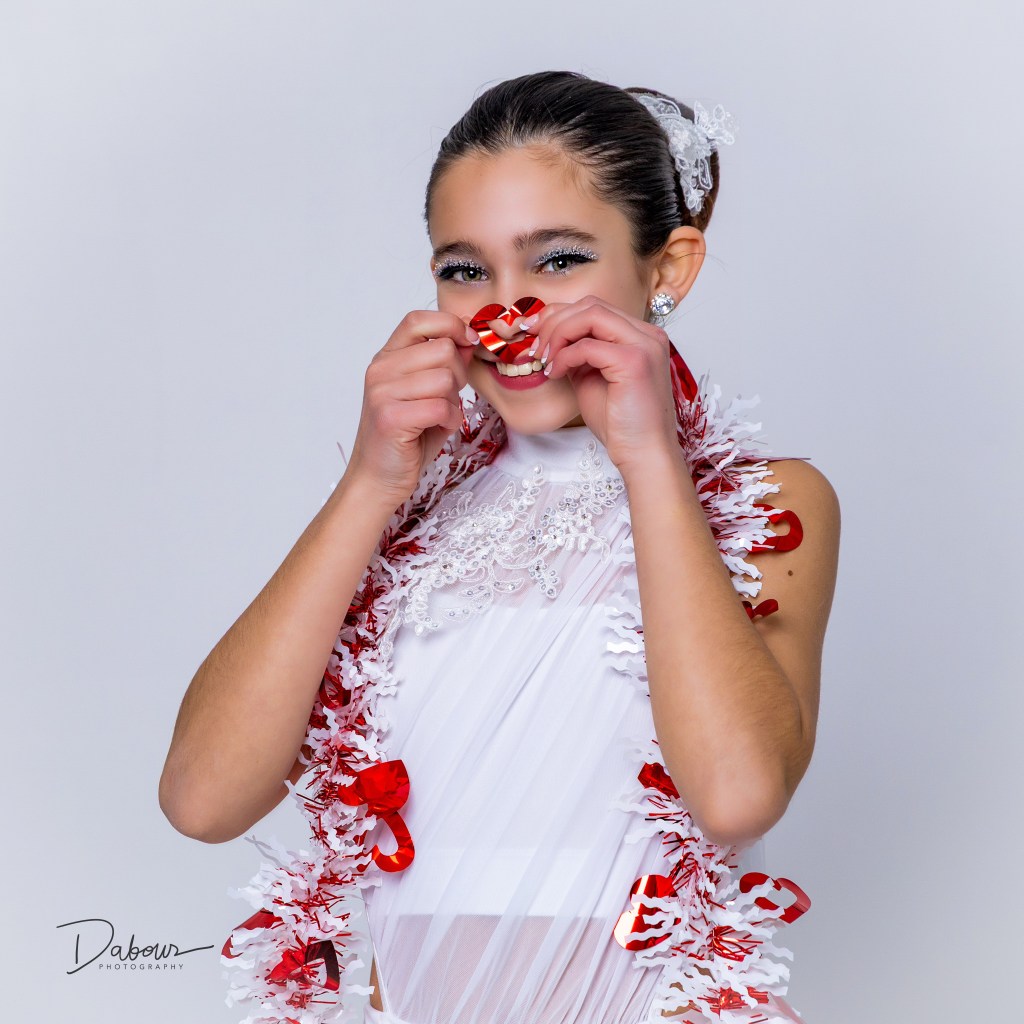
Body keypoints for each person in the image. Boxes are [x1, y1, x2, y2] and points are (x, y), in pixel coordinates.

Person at [159, 70, 840, 1024]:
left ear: (669, 268)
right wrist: (369, 485)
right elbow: (202, 800)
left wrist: (647, 458)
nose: (505, 311)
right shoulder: (405, 512)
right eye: (466, 269)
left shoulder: (766, 503)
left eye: (557, 260)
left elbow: (735, 795)